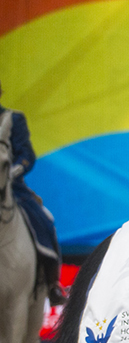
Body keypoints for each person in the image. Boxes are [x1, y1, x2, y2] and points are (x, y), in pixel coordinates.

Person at [0, 80, 66, 306]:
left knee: (44, 219)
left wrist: (12, 172)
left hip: (10, 187)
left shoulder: (13, 119)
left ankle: (51, 283)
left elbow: (26, 153)